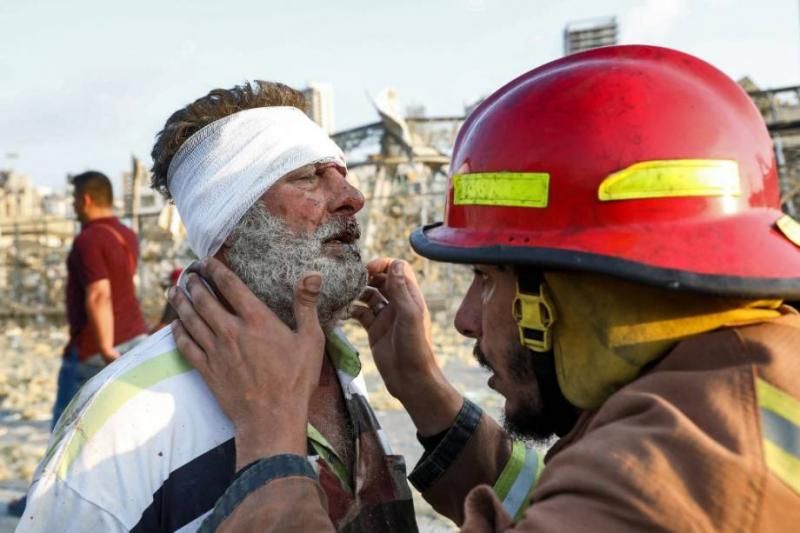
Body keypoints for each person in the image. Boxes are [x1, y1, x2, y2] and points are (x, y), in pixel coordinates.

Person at [169, 45, 800, 531]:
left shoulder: (662, 486)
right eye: (308, 176)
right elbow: (543, 498)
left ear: (573, 286)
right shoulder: (742, 378)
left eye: (488, 279)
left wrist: (271, 442)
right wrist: (426, 393)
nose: (466, 318)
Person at [18, 81, 417, 532]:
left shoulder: (341, 366)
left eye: (341, 172)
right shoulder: (123, 420)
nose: (352, 197)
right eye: (307, 176)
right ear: (229, 220)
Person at [7, 171, 149, 518]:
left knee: (64, 431)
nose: (72, 206)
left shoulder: (88, 240)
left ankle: (42, 506)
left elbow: (99, 294)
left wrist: (104, 348)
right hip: (135, 340)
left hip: (95, 350)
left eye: (73, 200)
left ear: (86, 200)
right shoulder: (125, 234)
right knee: (118, 429)